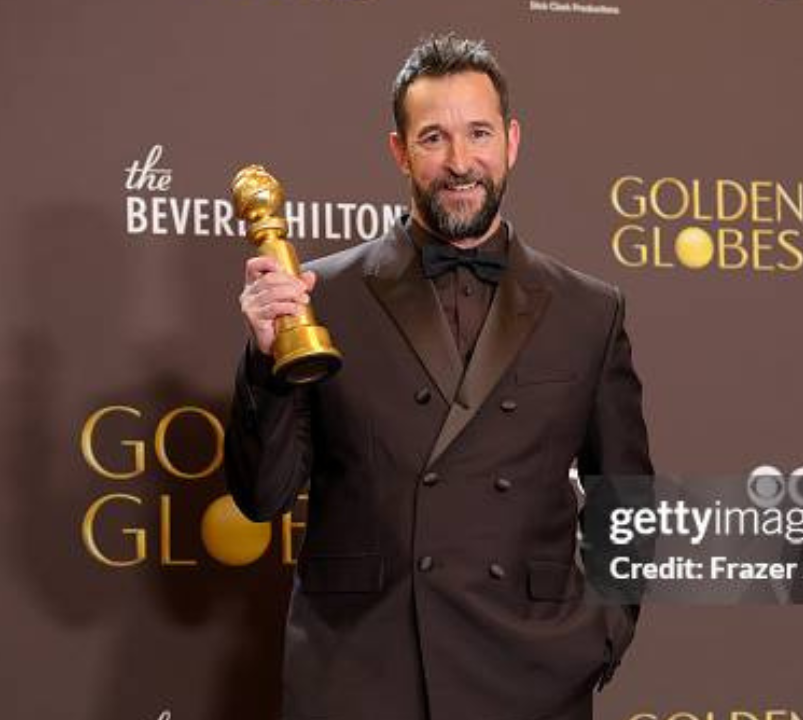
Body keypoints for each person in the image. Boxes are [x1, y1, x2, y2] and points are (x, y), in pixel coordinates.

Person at [225, 33, 653, 720]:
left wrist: (601, 636)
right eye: (433, 138)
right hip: (364, 671)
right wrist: (265, 362)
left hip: (530, 677)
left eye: (478, 133)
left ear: (512, 141)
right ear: (399, 152)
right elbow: (261, 497)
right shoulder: (321, 296)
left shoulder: (589, 310)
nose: (461, 163)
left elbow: (627, 500)